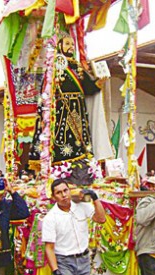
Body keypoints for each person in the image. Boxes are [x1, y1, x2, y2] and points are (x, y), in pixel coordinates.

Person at [28, 32, 108, 185]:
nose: (70, 47)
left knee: (80, 140)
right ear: (59, 46)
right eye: (67, 44)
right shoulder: (54, 66)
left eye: (72, 44)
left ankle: (82, 167)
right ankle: (61, 167)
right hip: (61, 109)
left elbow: (88, 87)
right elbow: (46, 90)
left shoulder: (77, 66)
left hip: (78, 108)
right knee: (63, 137)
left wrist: (98, 82)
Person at [42, 179, 106, 275]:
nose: (63, 195)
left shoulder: (82, 206)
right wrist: (56, 272)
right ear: (54, 197)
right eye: (59, 193)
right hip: (64, 262)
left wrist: (95, 199)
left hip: (83, 260)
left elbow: (101, 219)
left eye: (65, 190)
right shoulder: (51, 218)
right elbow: (49, 248)